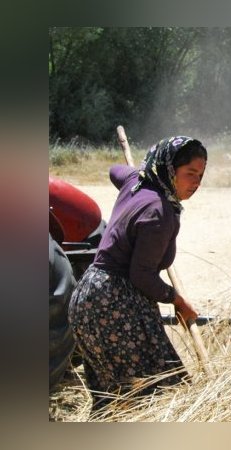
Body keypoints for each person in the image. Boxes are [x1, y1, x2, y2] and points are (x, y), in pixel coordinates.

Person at [69, 136, 207, 412]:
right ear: (170, 169)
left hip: (87, 298)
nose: (196, 183)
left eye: (201, 176)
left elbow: (114, 170)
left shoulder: (138, 182)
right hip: (115, 305)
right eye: (190, 174)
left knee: (113, 401)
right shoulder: (159, 212)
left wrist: (140, 171)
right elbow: (141, 276)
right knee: (157, 397)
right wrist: (177, 300)